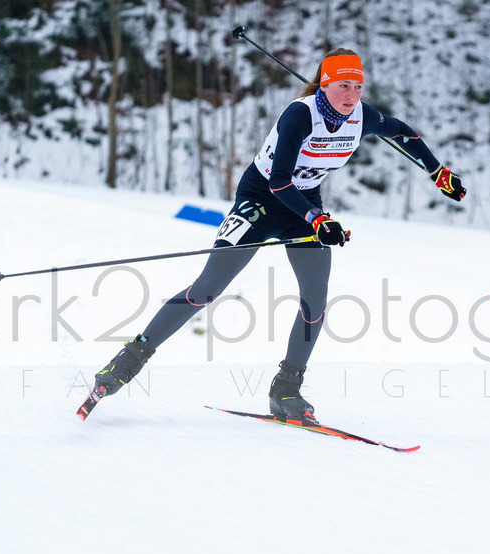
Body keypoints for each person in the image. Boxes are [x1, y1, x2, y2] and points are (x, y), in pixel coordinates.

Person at [90, 48, 466, 420]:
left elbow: (401, 132)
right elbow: (279, 182)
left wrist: (437, 172)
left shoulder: (362, 117)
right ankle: (127, 360)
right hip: (261, 200)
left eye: (358, 86)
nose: (351, 96)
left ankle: (286, 389)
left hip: (303, 208)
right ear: (325, 84)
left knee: (315, 300)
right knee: (208, 287)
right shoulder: (299, 116)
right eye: (343, 86)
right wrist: (316, 219)